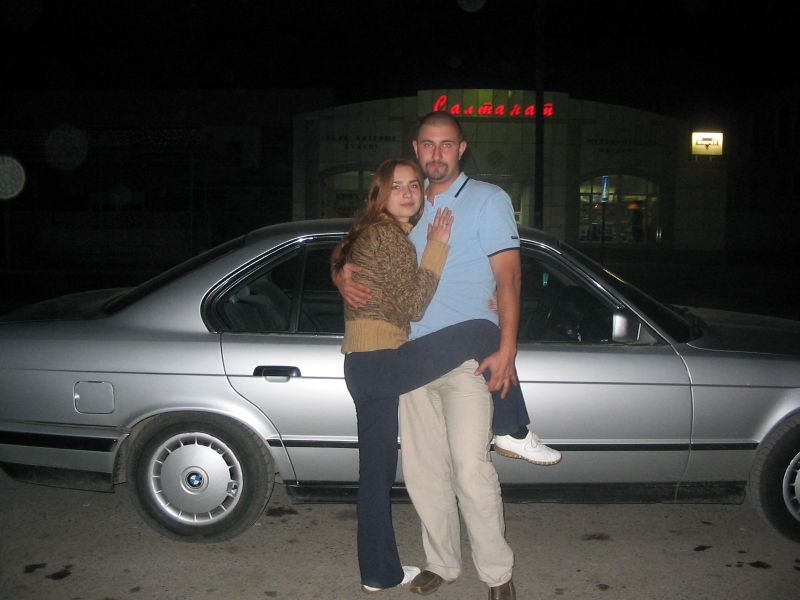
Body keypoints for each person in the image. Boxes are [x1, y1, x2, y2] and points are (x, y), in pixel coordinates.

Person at [337, 112, 559, 600]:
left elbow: (509, 277)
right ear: (416, 148)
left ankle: (497, 574)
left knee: (471, 472)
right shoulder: (410, 208)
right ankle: (442, 563)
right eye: (427, 145)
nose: (436, 154)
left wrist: (506, 348)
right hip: (409, 360)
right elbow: (360, 244)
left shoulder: (488, 200)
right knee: (423, 476)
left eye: (446, 144)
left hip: (465, 364)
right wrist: (341, 274)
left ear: (461, 148)